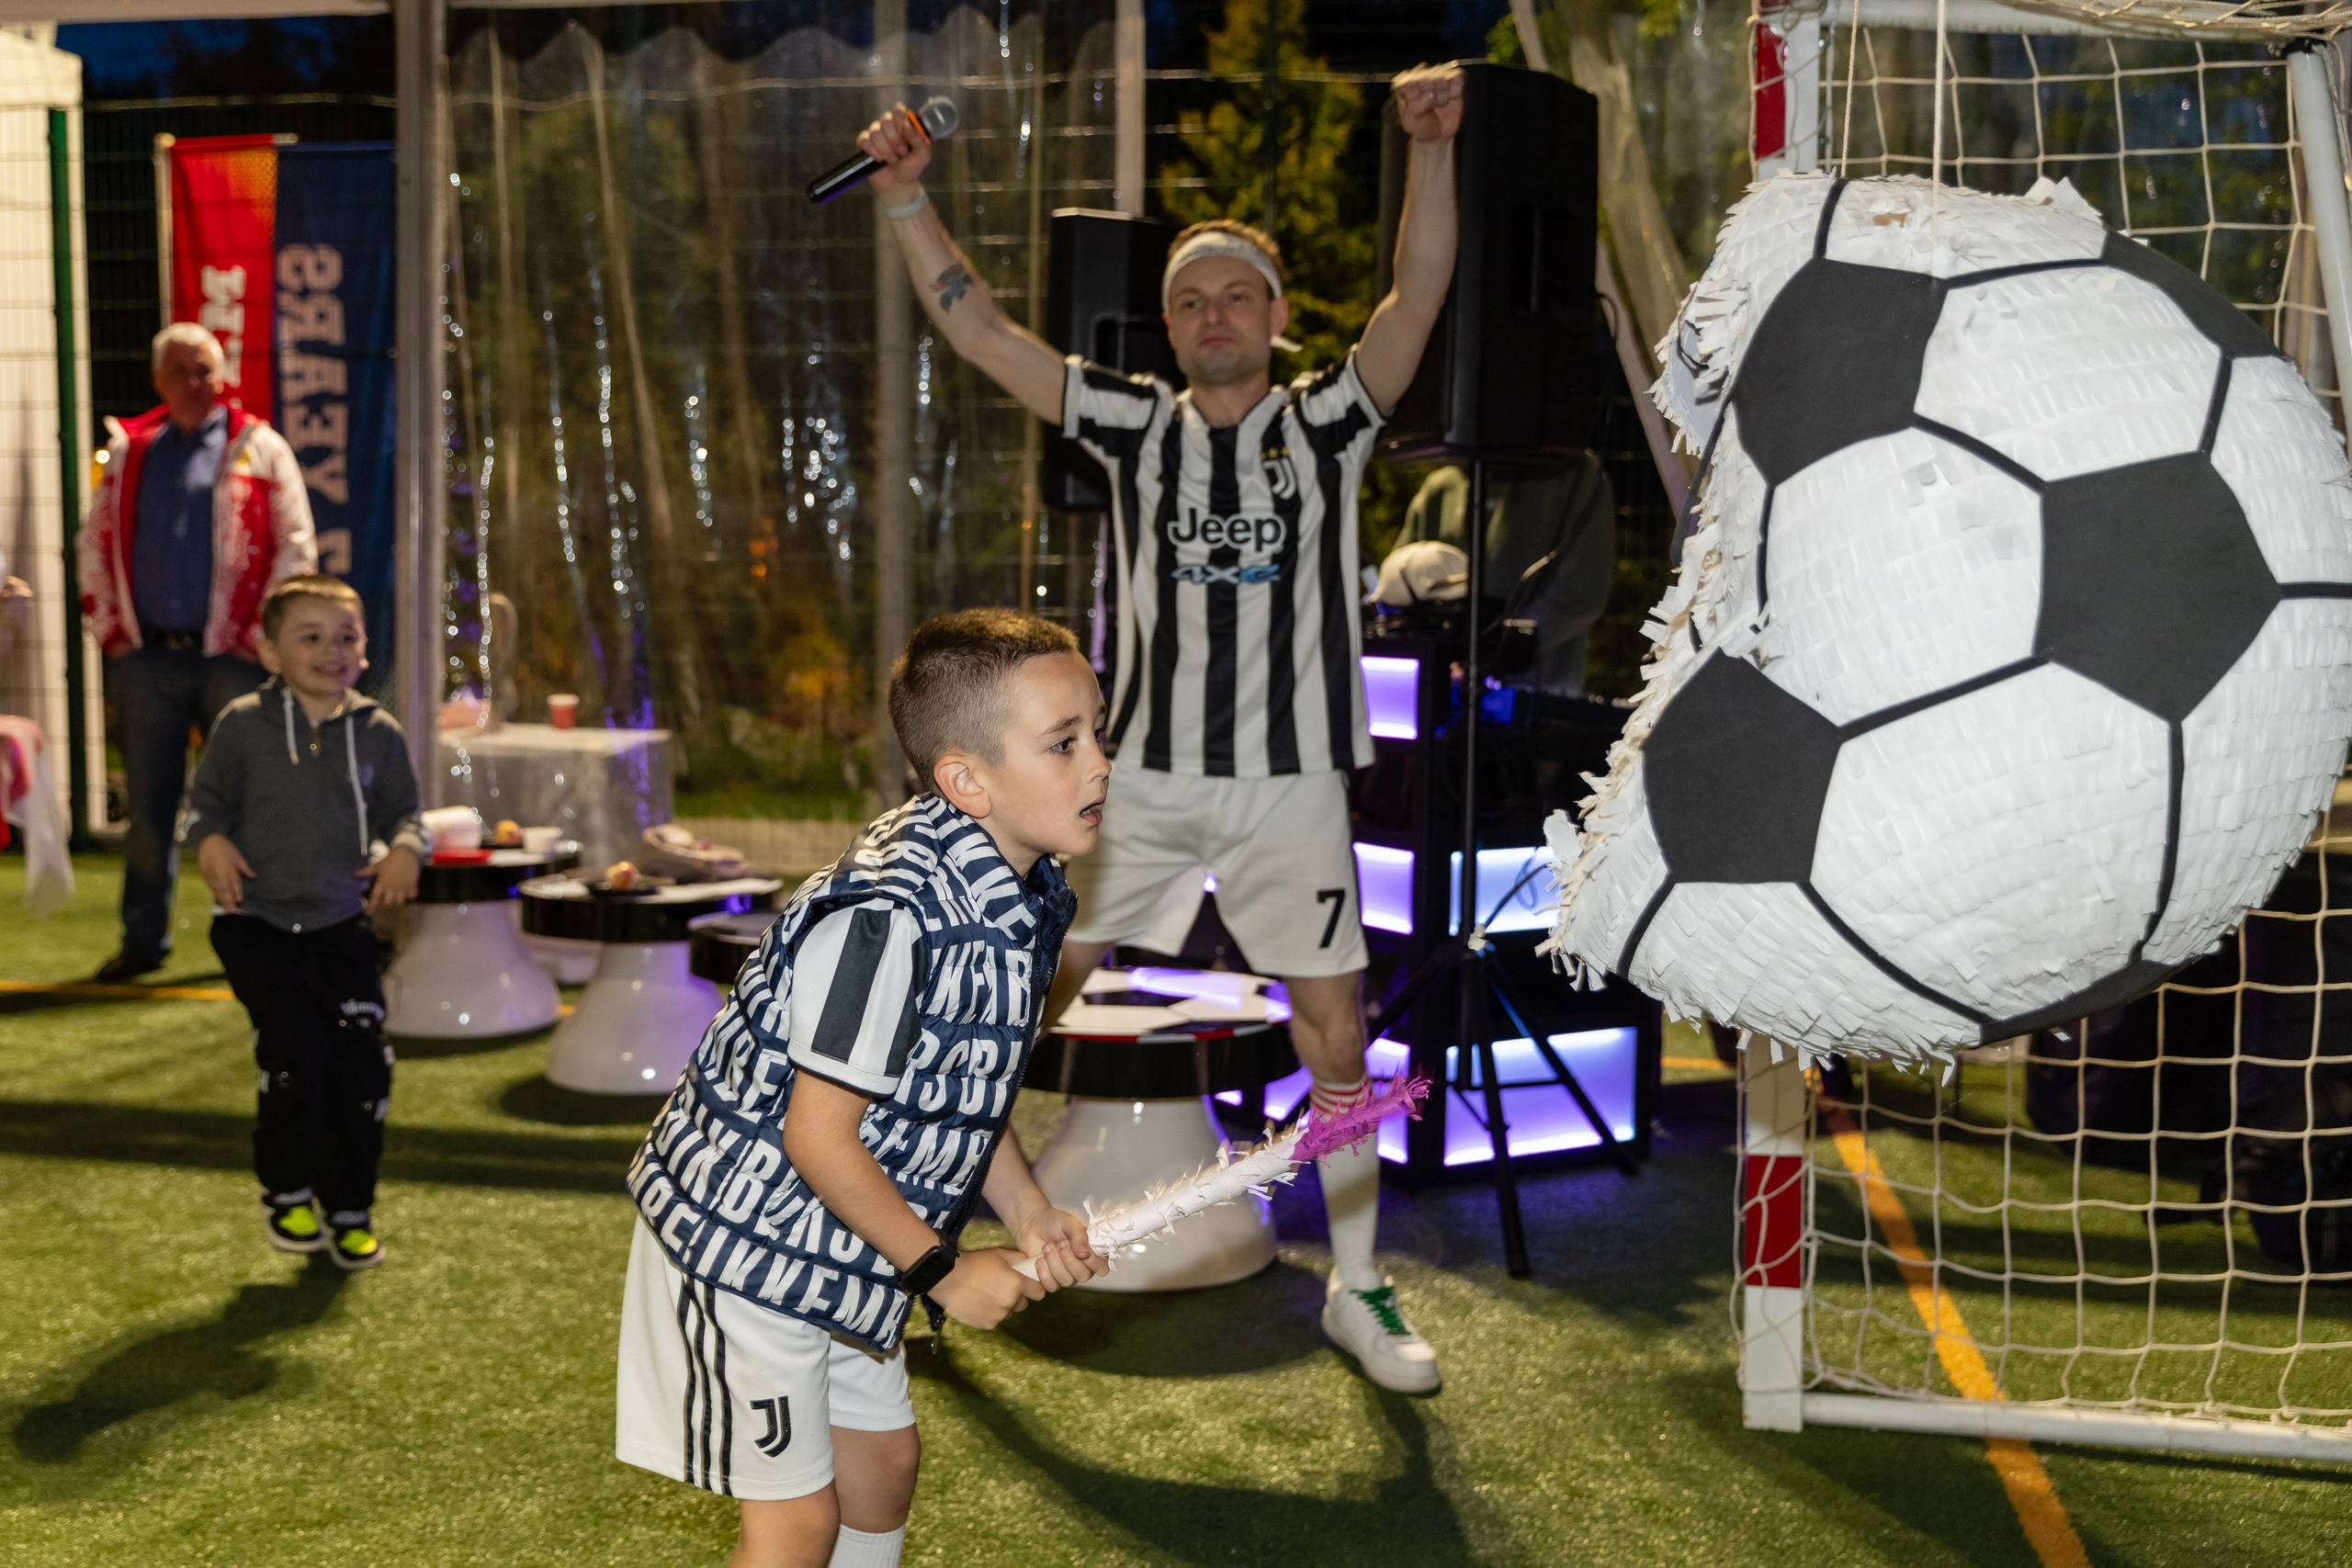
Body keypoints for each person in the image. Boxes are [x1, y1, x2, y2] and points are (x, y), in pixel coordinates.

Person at [857, 63, 1463, 1393]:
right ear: (1172, 330)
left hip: (1291, 782)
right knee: (1017, 998)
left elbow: (1416, 298)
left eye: (1236, 290)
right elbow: (985, 335)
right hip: (1135, 784)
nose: (1212, 312)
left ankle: (1358, 1282)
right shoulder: (1133, 425)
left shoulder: (1328, 422)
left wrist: (1430, 148)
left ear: (1278, 314)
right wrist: (908, 203)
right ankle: (923, 1251)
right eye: (1189, 299)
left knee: (1336, 1030)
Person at [617, 609, 1113, 1568]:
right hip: (746, 1245)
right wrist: (942, 1269)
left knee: (883, 1468)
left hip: (850, 1234)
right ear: (966, 781)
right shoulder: (886, 920)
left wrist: (1027, 1208)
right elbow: (817, 1137)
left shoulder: (1028, 883)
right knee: (796, 1525)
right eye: (1063, 743)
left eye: (1097, 731)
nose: (1097, 764)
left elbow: (959, 1086)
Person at [185, 575, 423, 1270]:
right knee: (298, 1049)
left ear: (365, 647)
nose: (332, 650)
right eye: (310, 636)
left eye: (346, 636)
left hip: (341, 928)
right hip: (254, 926)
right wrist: (211, 841)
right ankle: (287, 1188)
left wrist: (406, 848)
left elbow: (404, 813)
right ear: (268, 650)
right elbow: (205, 806)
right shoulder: (241, 725)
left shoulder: (378, 731)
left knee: (361, 1063)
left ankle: (350, 1205)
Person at [80, 321, 317, 983]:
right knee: (150, 807)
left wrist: (263, 635)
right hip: (147, 660)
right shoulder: (128, 451)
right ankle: (143, 938)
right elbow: (92, 540)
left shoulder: (260, 449)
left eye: (206, 370)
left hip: (234, 660)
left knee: (248, 797)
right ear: (158, 379)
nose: (196, 383)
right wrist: (112, 632)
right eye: (182, 371)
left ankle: (259, 927)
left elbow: (296, 546)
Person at [1397, 457, 1617, 695]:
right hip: (1441, 692)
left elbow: (1582, 590)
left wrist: (1499, 649)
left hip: (1536, 696)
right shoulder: (1441, 486)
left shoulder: (1574, 470)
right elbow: (1399, 584)